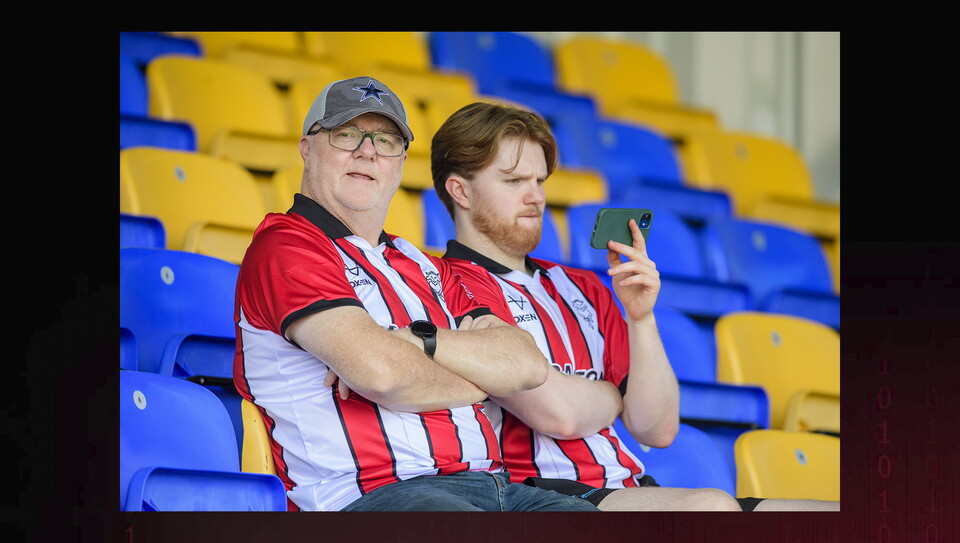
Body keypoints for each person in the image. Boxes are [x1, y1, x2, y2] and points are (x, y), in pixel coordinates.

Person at [432, 101, 840, 512]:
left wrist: (640, 318)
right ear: (460, 190)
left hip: (627, 488)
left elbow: (657, 428)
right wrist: (611, 395)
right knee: (710, 509)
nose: (535, 196)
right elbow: (559, 415)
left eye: (539, 180)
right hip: (541, 495)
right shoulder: (446, 284)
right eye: (514, 180)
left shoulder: (583, 285)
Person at [232, 77, 600, 513]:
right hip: (372, 495)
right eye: (347, 134)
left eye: (386, 140)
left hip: (498, 489)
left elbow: (525, 365)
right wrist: (483, 382)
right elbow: (381, 375)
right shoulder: (288, 246)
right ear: (308, 147)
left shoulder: (426, 265)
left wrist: (415, 340)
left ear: (401, 162)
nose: (367, 151)